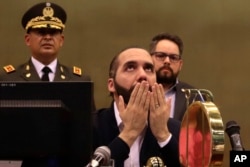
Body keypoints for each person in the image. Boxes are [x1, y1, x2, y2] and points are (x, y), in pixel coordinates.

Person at [0, 2, 92, 167]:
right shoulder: (7, 79)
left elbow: (89, 128)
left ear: (61, 40)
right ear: (27, 39)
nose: (48, 37)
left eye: (54, 32)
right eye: (41, 32)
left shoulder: (79, 80)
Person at [93, 47, 180, 167]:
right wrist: (129, 133)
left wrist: (163, 135)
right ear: (111, 85)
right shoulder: (90, 127)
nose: (143, 75)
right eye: (130, 68)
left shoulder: (174, 130)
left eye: (148, 69)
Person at [149, 32, 197, 121]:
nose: (167, 61)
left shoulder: (195, 96)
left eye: (173, 58)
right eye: (160, 56)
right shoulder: (135, 90)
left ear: (180, 65)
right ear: (149, 59)